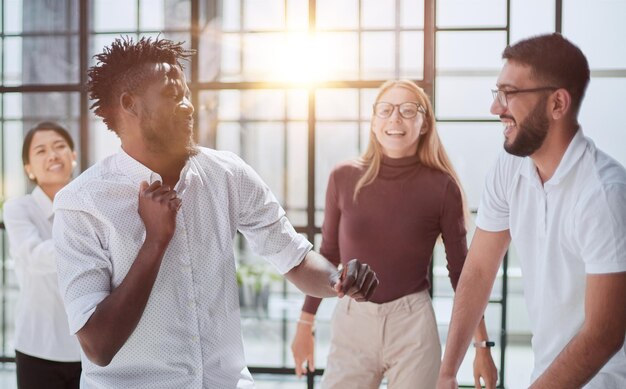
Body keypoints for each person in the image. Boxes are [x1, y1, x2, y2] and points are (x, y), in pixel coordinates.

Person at [51, 36, 378, 388]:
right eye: (172, 95)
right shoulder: (82, 203)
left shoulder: (227, 174)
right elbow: (98, 345)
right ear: (129, 104)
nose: (189, 106)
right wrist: (155, 241)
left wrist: (337, 279)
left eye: (187, 94)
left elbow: (295, 258)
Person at [437, 33, 626, 389]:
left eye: (509, 94)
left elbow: (604, 335)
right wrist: (447, 373)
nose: (496, 108)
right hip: (546, 375)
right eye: (497, 94)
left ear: (557, 104)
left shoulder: (604, 194)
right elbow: (478, 269)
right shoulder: (510, 168)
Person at [290, 79, 497, 389]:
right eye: (385, 110)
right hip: (352, 323)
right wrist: (305, 323)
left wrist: (482, 347)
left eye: (407, 110)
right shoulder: (343, 177)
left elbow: (461, 274)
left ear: (424, 122)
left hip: (413, 326)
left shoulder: (442, 187)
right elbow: (329, 253)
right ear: (374, 122)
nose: (395, 119)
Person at [3, 122, 82, 388]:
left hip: (90, 348)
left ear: (73, 156)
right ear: (28, 168)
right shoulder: (18, 209)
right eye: (41, 150)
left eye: (60, 147)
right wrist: (87, 243)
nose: (52, 155)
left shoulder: (88, 203)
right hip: (38, 348)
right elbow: (35, 258)